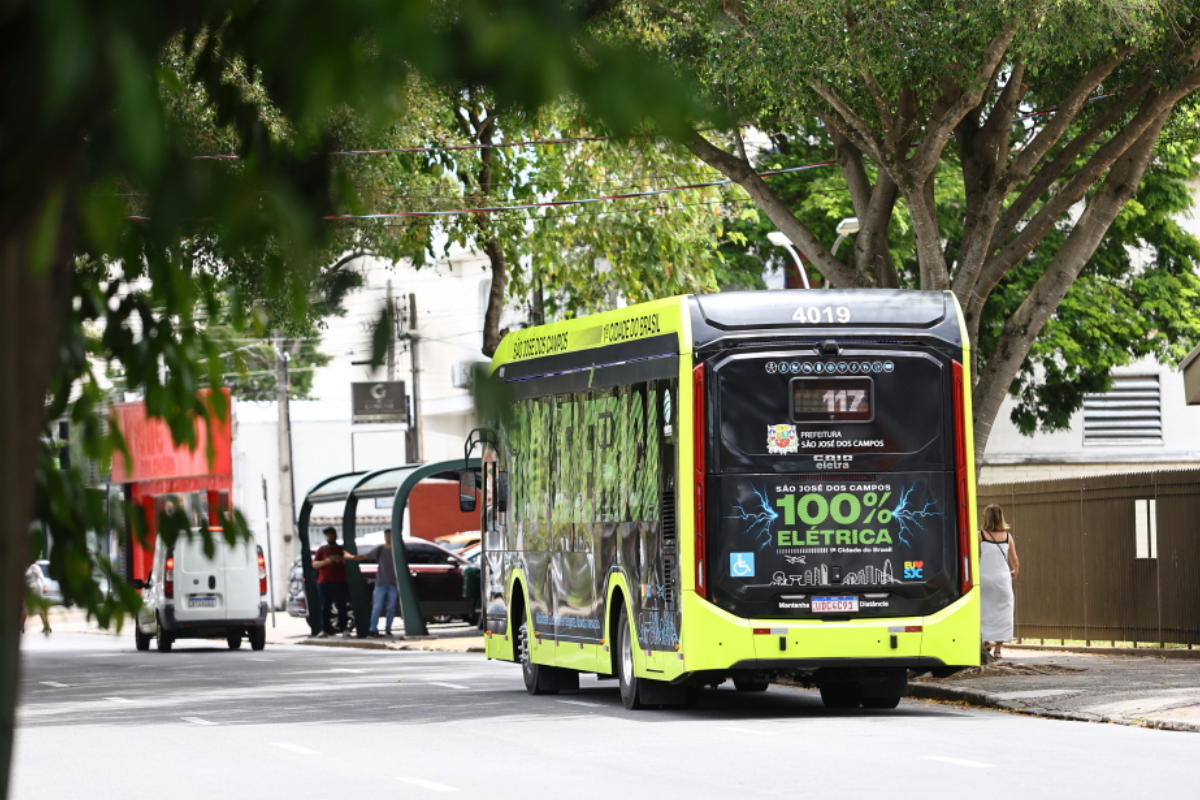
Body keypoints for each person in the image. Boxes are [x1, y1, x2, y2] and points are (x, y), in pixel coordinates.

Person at [979, 504, 1019, 661]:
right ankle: (998, 650)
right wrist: (1015, 571)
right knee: (1004, 612)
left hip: (984, 578)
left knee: (984, 609)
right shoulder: (1008, 537)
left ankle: (985, 641)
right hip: (1002, 579)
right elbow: (1014, 559)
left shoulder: (980, 535)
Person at [344, 528, 400, 637]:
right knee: (377, 607)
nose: (388, 538)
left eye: (390, 536)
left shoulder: (397, 551)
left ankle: (388, 629)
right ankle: (372, 629)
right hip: (380, 583)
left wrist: (397, 578)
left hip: (393, 584)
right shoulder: (379, 550)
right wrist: (351, 556)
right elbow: (365, 556)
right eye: (386, 536)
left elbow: (403, 566)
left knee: (391, 608)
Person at [312, 527, 348, 637]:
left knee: (342, 605)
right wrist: (326, 561)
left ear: (336, 535)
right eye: (328, 535)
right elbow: (314, 564)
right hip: (324, 582)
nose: (330, 537)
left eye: (332, 535)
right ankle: (325, 629)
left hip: (340, 581)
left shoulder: (342, 549)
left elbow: (349, 563)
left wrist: (340, 559)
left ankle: (344, 628)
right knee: (325, 607)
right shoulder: (322, 549)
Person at [22, 562, 51, 634]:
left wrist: (45, 586)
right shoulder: (23, 566)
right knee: (25, 608)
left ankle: (47, 626)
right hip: (27, 589)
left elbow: (41, 576)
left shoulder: (34, 566)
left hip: (35, 589)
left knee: (38, 608)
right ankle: (21, 626)